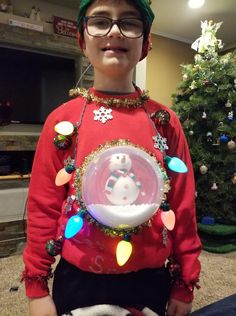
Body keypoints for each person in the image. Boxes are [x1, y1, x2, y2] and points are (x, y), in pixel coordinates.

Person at [22, 0, 202, 315]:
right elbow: (43, 208)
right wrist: (37, 288)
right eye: (100, 21)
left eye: (129, 22)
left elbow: (183, 207)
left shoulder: (165, 121)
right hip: (78, 279)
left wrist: (184, 282)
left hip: (150, 280)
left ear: (146, 43)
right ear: (82, 39)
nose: (115, 31)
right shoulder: (62, 122)